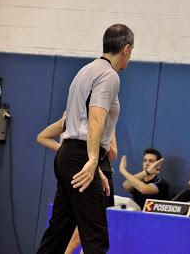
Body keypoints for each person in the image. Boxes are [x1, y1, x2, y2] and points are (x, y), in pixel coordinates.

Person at [36, 23, 134, 254]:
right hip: (80, 156)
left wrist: (94, 164)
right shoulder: (109, 76)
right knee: (95, 237)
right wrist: (92, 160)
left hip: (68, 155)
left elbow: (75, 121)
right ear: (127, 49)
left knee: (58, 234)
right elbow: (95, 119)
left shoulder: (85, 71)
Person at [36, 113, 117, 254]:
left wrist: (102, 140)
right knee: (83, 235)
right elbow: (43, 137)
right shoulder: (74, 115)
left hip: (92, 170)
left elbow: (113, 153)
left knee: (77, 234)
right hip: (82, 172)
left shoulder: (102, 114)